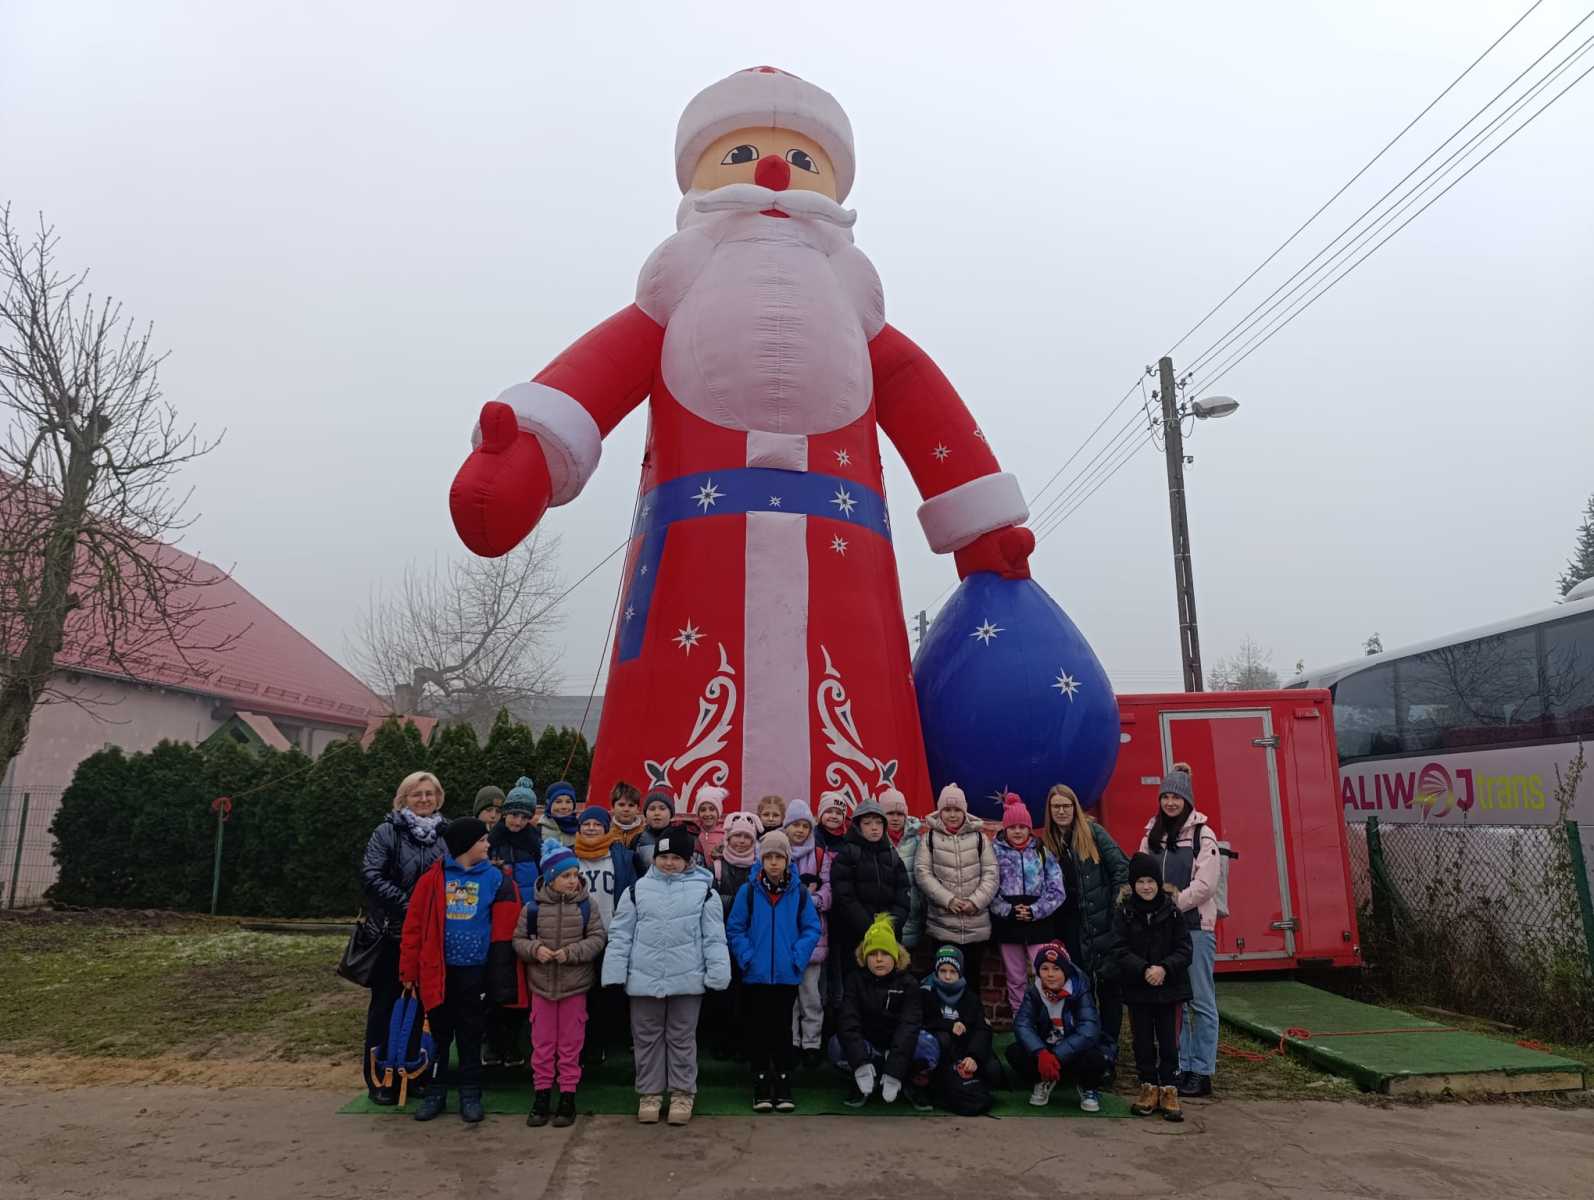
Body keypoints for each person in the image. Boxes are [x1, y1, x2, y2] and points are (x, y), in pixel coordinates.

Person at [601, 824, 731, 1126]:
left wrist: (718, 973)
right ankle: (650, 1093)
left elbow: (714, 937)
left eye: (676, 857)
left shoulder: (705, 892)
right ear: (654, 858)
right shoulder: (636, 891)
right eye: (664, 857)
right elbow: (621, 935)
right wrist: (614, 974)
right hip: (644, 980)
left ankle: (683, 1093)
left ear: (688, 860)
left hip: (687, 980)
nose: (669, 863)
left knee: (681, 1038)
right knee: (646, 1038)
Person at [399, 816, 524, 1124]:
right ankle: (436, 1091)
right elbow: (413, 928)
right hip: (439, 972)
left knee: (471, 1033)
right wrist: (409, 972)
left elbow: (507, 929)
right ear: (465, 845)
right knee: (439, 1034)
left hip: (476, 972)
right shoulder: (432, 879)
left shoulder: (496, 879)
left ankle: (470, 1093)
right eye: (482, 840)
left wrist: (501, 974)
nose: (488, 844)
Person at [358, 770, 448, 1105]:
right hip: (391, 934)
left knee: (423, 1008)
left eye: (429, 793)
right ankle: (380, 1078)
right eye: (417, 794)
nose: (424, 799)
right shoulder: (388, 831)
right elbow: (370, 875)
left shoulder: (445, 834)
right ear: (404, 798)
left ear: (438, 798)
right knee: (385, 1007)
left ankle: (414, 1072)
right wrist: (410, 906)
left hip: (430, 936)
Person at [726, 829, 823, 1112]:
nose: (773, 862)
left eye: (778, 857)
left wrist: (796, 958)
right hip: (755, 975)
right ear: (761, 859)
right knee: (757, 1029)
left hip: (785, 974)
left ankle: (782, 1080)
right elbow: (735, 928)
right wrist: (747, 957)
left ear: (787, 860)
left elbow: (811, 928)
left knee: (782, 1029)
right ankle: (760, 1081)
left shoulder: (799, 893)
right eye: (768, 857)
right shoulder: (748, 891)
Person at [513, 840, 608, 1128]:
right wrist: (535, 950)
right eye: (566, 875)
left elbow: (597, 938)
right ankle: (542, 1095)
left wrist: (572, 953)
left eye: (575, 874)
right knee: (542, 1045)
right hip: (541, 988)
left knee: (570, 1044)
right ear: (551, 877)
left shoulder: (586, 906)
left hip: (574, 987)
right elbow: (518, 940)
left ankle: (568, 1095)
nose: (572, 880)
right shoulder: (532, 908)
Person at [1140, 769, 1222, 1099]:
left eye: (1176, 797)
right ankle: (1183, 1065)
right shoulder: (1152, 833)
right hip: (1163, 929)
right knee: (1179, 1001)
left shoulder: (1203, 835)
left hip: (1195, 927)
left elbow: (1206, 884)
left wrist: (1173, 903)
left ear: (1187, 800)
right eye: (1166, 796)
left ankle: (1201, 1070)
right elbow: (1141, 871)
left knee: (1200, 1000)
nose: (1171, 802)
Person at [1040, 783, 1130, 1071]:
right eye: (1056, 806)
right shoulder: (1048, 843)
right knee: (1080, 992)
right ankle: (1086, 1051)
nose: (1061, 811)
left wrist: (1116, 912)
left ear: (1075, 807)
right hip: (1069, 929)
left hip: (1102, 924)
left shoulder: (1093, 833)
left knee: (1109, 991)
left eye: (1066, 806)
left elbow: (1121, 868)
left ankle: (1108, 1052)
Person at [1112, 852, 1191, 1123]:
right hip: (1138, 987)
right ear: (1133, 885)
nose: (1146, 887)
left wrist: (1163, 968)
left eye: (1150, 881)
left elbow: (1184, 949)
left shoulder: (1173, 912)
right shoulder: (1124, 912)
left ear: (1158, 882)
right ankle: (1148, 1085)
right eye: (1140, 882)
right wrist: (1143, 969)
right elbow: (1119, 948)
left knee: (1169, 1040)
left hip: (1169, 987)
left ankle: (1169, 1088)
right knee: (1142, 1041)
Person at [831, 913, 935, 1110]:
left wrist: (895, 1069)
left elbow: (909, 1025)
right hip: (868, 1045)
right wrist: (860, 1063)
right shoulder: (854, 980)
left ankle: (909, 1082)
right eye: (872, 954)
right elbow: (848, 1020)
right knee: (836, 1046)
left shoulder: (909, 983)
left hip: (897, 1046)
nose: (879, 959)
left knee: (927, 1046)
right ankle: (862, 1080)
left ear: (895, 956)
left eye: (885, 953)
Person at [570, 805, 639, 1064]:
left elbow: (632, 891)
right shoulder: (568, 855)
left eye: (597, 824)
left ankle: (605, 1041)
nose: (591, 828)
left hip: (611, 934)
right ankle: (585, 1044)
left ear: (606, 827)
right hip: (577, 936)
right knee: (581, 992)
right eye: (586, 824)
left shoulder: (621, 856)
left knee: (608, 991)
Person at [1006, 942, 1107, 1112]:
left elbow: (1089, 1029)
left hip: (1071, 1052)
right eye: (1044, 969)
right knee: (1014, 1052)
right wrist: (1041, 1053)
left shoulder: (1079, 990)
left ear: (1066, 971)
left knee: (1095, 1057)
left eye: (1056, 969)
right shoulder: (1034, 992)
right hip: (1046, 1049)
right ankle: (1043, 1079)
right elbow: (1022, 1024)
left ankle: (1087, 1087)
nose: (1050, 974)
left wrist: (1057, 1056)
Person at [990, 794, 1065, 1017]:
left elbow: (1057, 889)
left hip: (1039, 923)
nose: (1018, 831)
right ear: (1005, 828)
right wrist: (1008, 911)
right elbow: (988, 888)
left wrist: (1035, 910)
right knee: (1016, 978)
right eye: (1012, 827)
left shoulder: (1042, 851)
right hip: (1008, 923)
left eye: (1022, 827)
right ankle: (1021, 1020)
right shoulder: (993, 852)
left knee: (1046, 974)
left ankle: (1050, 1019)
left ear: (1030, 829)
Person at [914, 783, 998, 982]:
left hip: (976, 925)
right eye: (947, 810)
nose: (952, 815)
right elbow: (923, 874)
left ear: (964, 811)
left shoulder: (980, 839)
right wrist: (948, 899)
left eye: (957, 810)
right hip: (942, 926)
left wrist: (975, 902)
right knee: (943, 980)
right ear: (940, 812)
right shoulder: (929, 839)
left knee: (972, 980)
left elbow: (991, 874)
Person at [485, 789, 542, 1067]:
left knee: (524, 985)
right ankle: (494, 1043)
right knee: (497, 982)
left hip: (528, 920)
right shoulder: (491, 842)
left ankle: (516, 1043)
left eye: (523, 816)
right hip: (497, 921)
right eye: (513, 815)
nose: (517, 821)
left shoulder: (535, 843)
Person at [829, 800, 910, 980]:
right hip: (855, 935)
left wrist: (889, 925)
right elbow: (844, 896)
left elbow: (904, 894)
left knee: (888, 982)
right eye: (867, 823)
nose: (874, 828)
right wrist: (869, 927)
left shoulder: (892, 855)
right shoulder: (847, 854)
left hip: (889, 934)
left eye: (879, 822)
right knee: (856, 983)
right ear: (858, 826)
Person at [919, 945, 996, 1115]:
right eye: (942, 971)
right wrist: (949, 1025)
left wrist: (973, 1057)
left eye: (953, 971)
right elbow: (922, 1021)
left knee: (993, 1071)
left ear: (960, 972)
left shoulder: (970, 996)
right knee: (942, 1039)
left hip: (965, 1048)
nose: (947, 976)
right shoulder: (926, 992)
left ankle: (969, 1088)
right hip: (940, 1051)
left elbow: (982, 1028)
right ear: (936, 971)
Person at [783, 798, 831, 1065]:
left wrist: (812, 900)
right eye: (795, 825)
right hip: (784, 936)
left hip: (813, 936)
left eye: (805, 826)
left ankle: (811, 1043)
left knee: (811, 994)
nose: (800, 830)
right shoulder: (777, 852)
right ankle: (791, 1041)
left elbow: (828, 890)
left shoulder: (820, 854)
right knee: (788, 994)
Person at [879, 788, 925, 951]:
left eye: (900, 814)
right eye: (890, 813)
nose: (895, 818)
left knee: (906, 959)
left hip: (911, 914)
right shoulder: (874, 840)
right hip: (881, 914)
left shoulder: (918, 841)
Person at [634, 789, 676, 871]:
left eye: (662, 808)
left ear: (671, 813)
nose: (657, 813)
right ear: (645, 814)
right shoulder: (637, 839)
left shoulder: (681, 837)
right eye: (652, 809)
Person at [690, 784, 727, 863]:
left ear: (718, 812)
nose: (707, 814)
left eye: (712, 809)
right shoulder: (695, 832)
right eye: (703, 810)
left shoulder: (726, 834)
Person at [542, 781, 582, 847]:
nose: (564, 806)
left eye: (568, 802)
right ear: (549, 804)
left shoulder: (582, 829)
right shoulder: (539, 829)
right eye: (558, 802)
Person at [610, 781, 645, 849]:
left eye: (631, 805)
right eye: (621, 805)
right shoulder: (605, 832)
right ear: (612, 808)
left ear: (638, 809)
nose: (626, 809)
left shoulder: (645, 832)